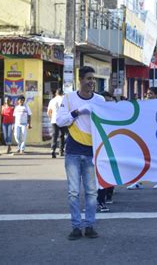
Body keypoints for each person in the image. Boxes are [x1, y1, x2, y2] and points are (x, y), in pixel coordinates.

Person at [57, 66, 105, 240]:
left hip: (93, 151)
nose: (92, 82)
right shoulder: (69, 98)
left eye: (93, 78)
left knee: (92, 192)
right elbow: (60, 121)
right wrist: (78, 112)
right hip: (73, 152)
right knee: (73, 192)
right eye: (88, 78)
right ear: (80, 79)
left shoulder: (100, 100)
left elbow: (108, 124)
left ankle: (90, 226)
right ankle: (76, 227)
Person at [127, 87, 157, 190]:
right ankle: (138, 182)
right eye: (148, 93)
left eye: (151, 94)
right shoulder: (143, 105)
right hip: (145, 136)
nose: (148, 95)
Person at [48, 89, 67, 158]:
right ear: (62, 93)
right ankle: (61, 151)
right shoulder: (64, 100)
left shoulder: (52, 100)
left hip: (54, 120)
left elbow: (49, 111)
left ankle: (53, 150)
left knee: (54, 135)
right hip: (62, 120)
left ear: (56, 93)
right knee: (62, 136)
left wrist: (51, 118)